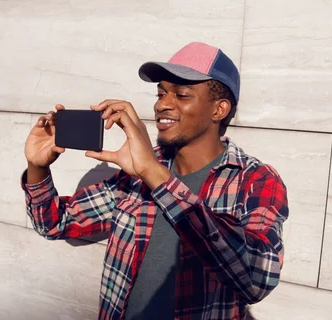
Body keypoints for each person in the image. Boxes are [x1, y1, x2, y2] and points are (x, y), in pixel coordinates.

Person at [22, 42, 289, 320]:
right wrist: (36, 167)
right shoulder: (139, 174)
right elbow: (54, 222)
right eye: (161, 93)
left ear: (219, 110)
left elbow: (257, 279)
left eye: (181, 95)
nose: (162, 104)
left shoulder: (254, 180)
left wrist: (153, 173)